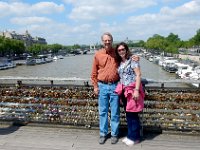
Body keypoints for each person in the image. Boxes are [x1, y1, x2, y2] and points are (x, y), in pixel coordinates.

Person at [90, 32, 139, 145]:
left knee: (115, 112)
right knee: (102, 112)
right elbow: (93, 73)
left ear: (112, 41)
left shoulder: (116, 53)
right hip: (102, 86)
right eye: (105, 40)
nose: (107, 42)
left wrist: (135, 57)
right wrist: (95, 86)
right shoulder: (98, 55)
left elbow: (126, 57)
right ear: (102, 41)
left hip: (115, 86)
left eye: (109, 40)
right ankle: (103, 133)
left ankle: (114, 134)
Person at [115, 42, 145, 146]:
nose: (121, 51)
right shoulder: (120, 62)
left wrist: (136, 90)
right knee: (128, 114)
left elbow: (138, 75)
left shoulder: (133, 60)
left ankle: (135, 138)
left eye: (123, 49)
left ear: (126, 50)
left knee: (133, 114)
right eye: (119, 50)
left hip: (132, 90)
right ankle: (130, 135)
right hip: (124, 91)